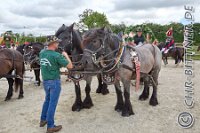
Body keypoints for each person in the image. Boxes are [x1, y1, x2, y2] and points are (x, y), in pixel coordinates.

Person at [39, 39, 73, 133]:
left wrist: (58, 71)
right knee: (52, 104)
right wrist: (65, 55)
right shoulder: (56, 55)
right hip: (54, 82)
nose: (58, 44)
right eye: (57, 42)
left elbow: (50, 66)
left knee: (47, 100)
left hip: (46, 81)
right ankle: (50, 126)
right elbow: (70, 66)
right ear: (53, 44)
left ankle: (43, 120)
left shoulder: (42, 53)